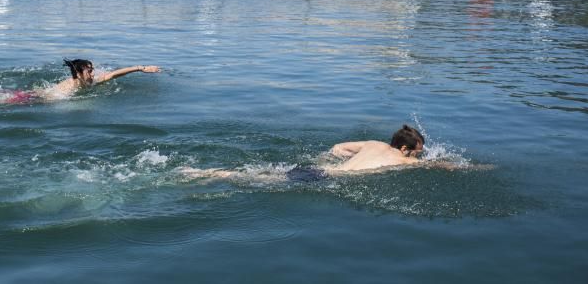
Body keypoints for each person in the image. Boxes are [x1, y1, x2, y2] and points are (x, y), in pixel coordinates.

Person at [181, 124, 455, 183]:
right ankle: (208, 176)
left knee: (262, 173)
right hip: (321, 179)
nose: (419, 157)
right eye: (417, 152)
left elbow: (338, 148)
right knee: (257, 180)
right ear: (405, 149)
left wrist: (330, 160)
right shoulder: (400, 161)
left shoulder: (373, 143)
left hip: (319, 169)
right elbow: (441, 167)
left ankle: (203, 172)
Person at [6, 58, 161, 104]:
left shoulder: (89, 81)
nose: (92, 73)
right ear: (79, 74)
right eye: (89, 71)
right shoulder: (72, 86)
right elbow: (52, 99)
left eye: (92, 70)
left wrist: (141, 68)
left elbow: (113, 74)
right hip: (35, 97)